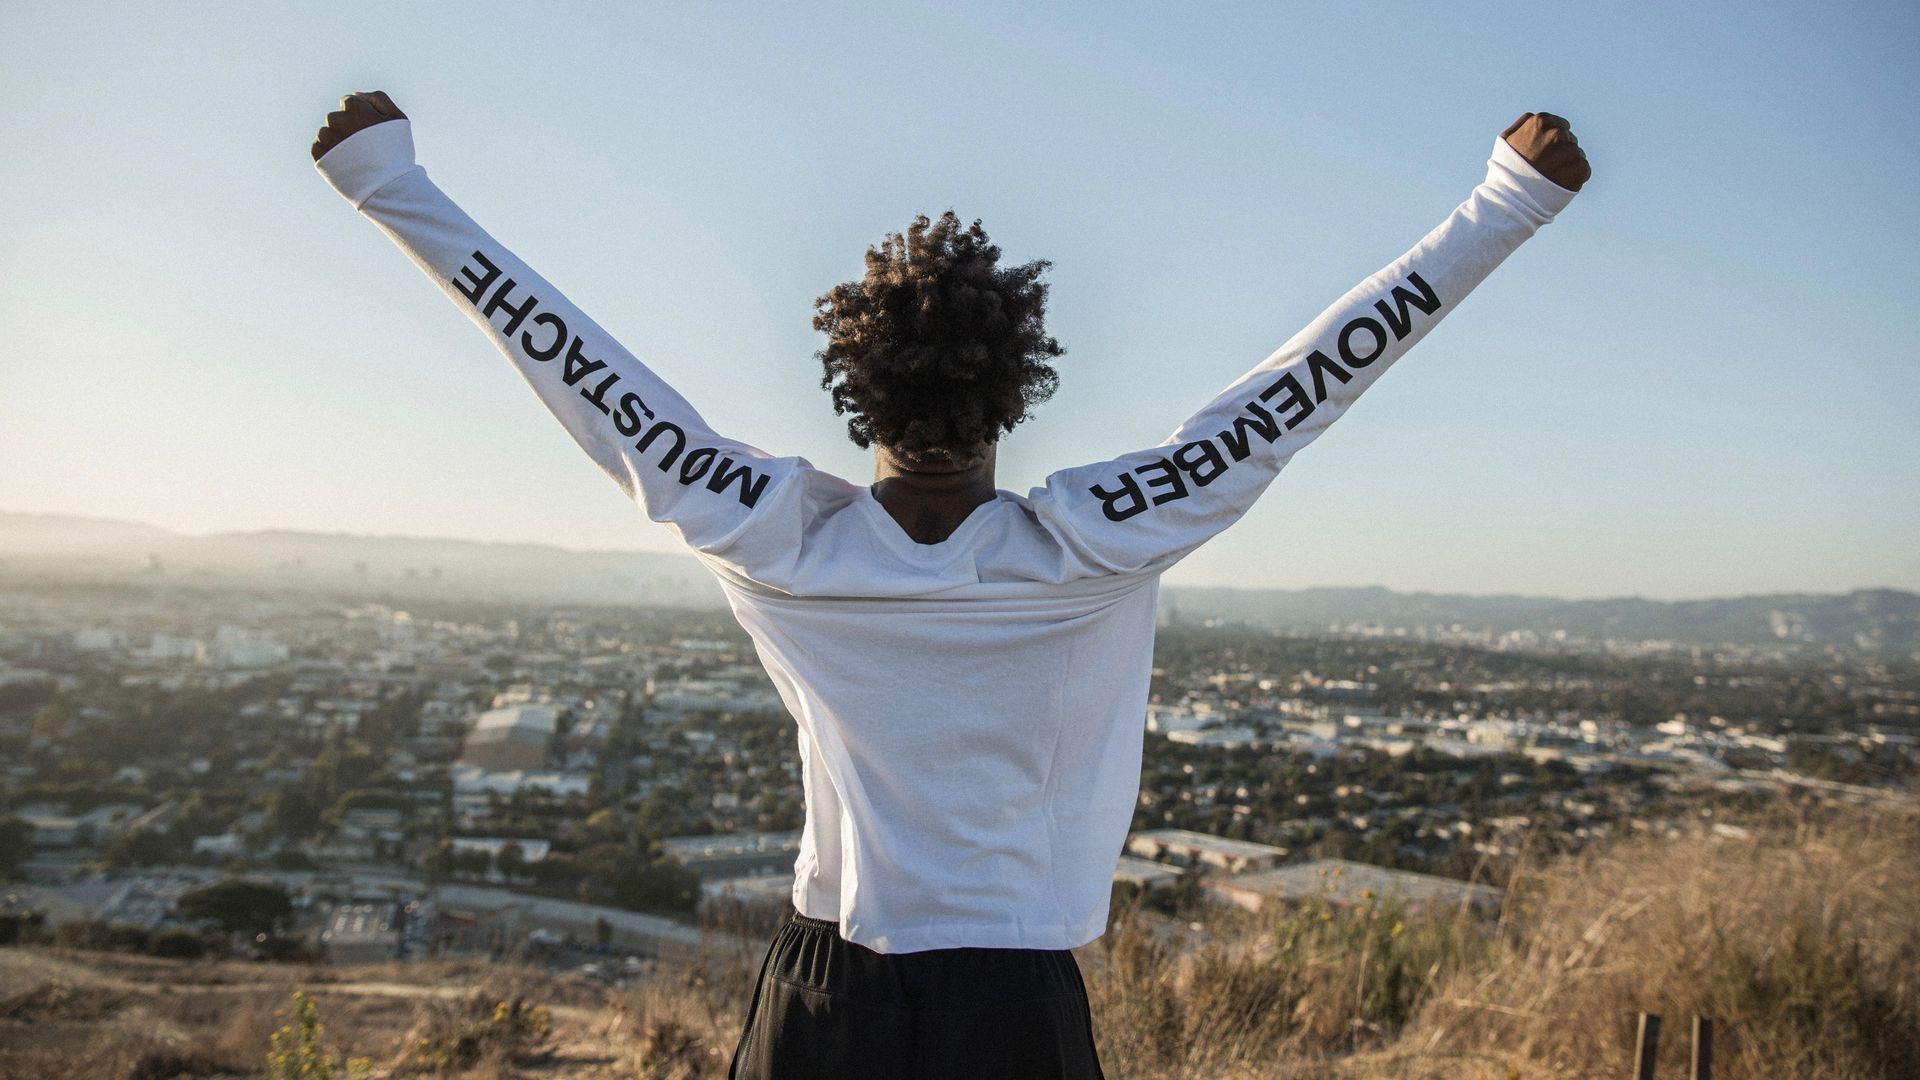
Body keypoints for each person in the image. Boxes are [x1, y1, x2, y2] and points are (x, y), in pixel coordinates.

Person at [312, 92, 1588, 1079]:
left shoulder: (778, 537)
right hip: (1014, 1001)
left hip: (825, 990)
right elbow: (1299, 391)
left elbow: (589, 378)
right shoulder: (1099, 541)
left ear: (855, 389)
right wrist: (1504, 202)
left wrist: (392, 183)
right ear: (1014, 392)